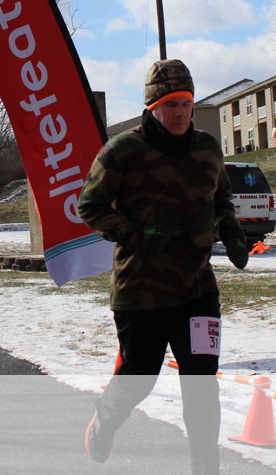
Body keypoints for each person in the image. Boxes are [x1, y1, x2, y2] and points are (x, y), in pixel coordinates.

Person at [77, 59, 248, 474]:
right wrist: (134, 234)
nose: (180, 113)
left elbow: (221, 200)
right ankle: (106, 420)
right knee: (139, 377)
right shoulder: (124, 150)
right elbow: (90, 206)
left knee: (202, 387)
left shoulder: (207, 148)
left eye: (186, 103)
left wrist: (232, 233)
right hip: (141, 290)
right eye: (170, 104)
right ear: (152, 106)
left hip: (197, 290)